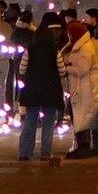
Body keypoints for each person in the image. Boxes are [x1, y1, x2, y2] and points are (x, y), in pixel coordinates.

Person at [18, 13, 65, 161]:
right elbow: (62, 70)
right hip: (51, 89)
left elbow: (21, 69)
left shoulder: (30, 48)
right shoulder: (54, 50)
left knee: (30, 119)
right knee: (49, 121)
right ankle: (45, 152)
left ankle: (25, 153)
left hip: (32, 88)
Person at [59, 19, 98, 159]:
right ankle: (82, 146)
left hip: (85, 89)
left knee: (82, 117)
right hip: (81, 89)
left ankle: (83, 148)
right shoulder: (80, 46)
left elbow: (83, 69)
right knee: (79, 117)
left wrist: (68, 68)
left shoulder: (85, 48)